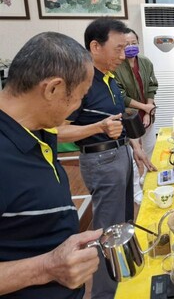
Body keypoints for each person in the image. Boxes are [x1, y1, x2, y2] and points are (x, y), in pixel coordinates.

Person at [57, 18, 153, 299]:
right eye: (118, 49)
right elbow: (58, 130)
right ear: (95, 46)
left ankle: (126, 277)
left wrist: (135, 145)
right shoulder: (82, 83)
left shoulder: (109, 80)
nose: (123, 56)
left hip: (120, 152)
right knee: (107, 232)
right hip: (100, 160)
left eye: (126, 49)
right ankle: (104, 293)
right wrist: (97, 128)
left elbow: (120, 119)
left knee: (124, 224)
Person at [0, 32, 102, 298]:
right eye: (80, 97)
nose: (77, 107)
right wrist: (46, 268)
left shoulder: (38, 130)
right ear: (52, 88)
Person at [114, 29, 158, 203]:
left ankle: (147, 180)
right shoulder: (117, 66)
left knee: (149, 147)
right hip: (128, 116)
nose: (131, 47)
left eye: (134, 43)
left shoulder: (146, 62)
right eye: (126, 44)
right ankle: (135, 190)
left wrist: (148, 111)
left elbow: (151, 86)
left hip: (147, 112)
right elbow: (121, 96)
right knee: (132, 153)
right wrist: (145, 108)